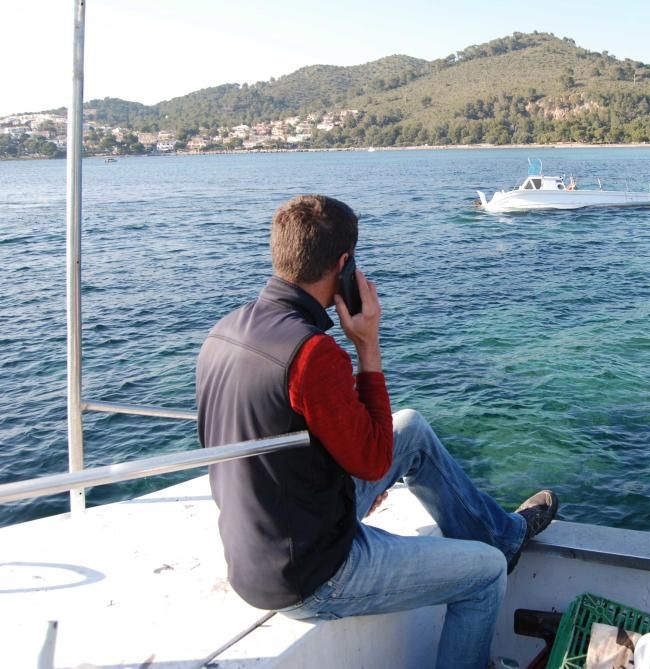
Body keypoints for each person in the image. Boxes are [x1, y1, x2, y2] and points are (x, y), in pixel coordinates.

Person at [195, 194, 558, 669]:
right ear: (343, 264)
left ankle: (503, 535)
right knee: (485, 575)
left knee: (408, 426)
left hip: (259, 548)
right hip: (313, 573)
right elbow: (372, 461)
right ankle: (495, 560)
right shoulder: (311, 353)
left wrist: (338, 485)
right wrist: (368, 345)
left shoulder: (224, 331)